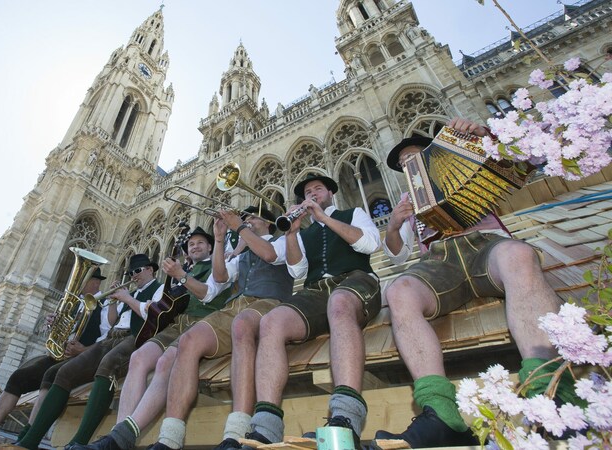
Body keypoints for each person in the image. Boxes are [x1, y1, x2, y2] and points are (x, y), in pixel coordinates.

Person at [374, 118, 577, 448]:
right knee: (399, 291)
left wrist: (487, 135)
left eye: (412, 156)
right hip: (441, 261)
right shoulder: (407, 199)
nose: (407, 163)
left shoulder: (466, 159)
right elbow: (397, 255)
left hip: (486, 245)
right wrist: (395, 227)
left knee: (519, 256)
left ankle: (550, 390)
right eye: (402, 163)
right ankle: (440, 412)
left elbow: (523, 166)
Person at [240, 174, 381, 448]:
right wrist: (292, 233)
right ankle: (265, 426)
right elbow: (297, 270)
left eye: (318, 189)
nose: (313, 193)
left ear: (330, 193)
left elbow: (369, 244)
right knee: (271, 322)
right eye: (307, 191)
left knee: (339, 303)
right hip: (316, 289)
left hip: (356, 280)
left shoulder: (353, 213)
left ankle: (346, 417)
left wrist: (324, 218)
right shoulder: (304, 232)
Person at [138, 206, 295, 450]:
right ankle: (169, 438)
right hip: (236, 307)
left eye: (252, 217)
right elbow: (219, 279)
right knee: (188, 340)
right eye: (246, 218)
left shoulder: (283, 239)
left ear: (269, 223)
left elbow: (271, 255)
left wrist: (239, 228)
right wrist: (220, 239)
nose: (247, 221)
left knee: (242, 325)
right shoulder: (240, 255)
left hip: (269, 303)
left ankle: (236, 432)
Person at [63, 227, 230, 448]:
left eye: (200, 242)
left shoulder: (220, 265)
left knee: (164, 363)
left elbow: (207, 293)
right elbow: (165, 307)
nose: (195, 246)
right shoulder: (182, 272)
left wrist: (180, 275)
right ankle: (116, 437)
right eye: (191, 244)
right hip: (175, 326)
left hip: (202, 325)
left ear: (211, 246)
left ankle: (123, 437)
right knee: (139, 357)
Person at [4, 254, 164, 450]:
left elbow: (154, 315)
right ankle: (29, 441)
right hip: (112, 338)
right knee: (63, 372)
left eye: (137, 271)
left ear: (150, 270)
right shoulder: (133, 292)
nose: (134, 275)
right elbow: (112, 321)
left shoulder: (160, 288)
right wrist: (115, 301)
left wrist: (127, 298)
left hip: (137, 337)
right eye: (131, 272)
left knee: (108, 365)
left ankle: (78, 442)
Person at [0, 268, 111, 450]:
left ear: (95, 282)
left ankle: (26, 439)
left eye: (83, 279)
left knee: (49, 377)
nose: (78, 284)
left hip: (81, 359)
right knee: (18, 377)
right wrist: (55, 326)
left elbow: (106, 340)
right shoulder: (74, 304)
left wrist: (82, 350)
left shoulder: (105, 305)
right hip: (59, 356)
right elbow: (61, 334)